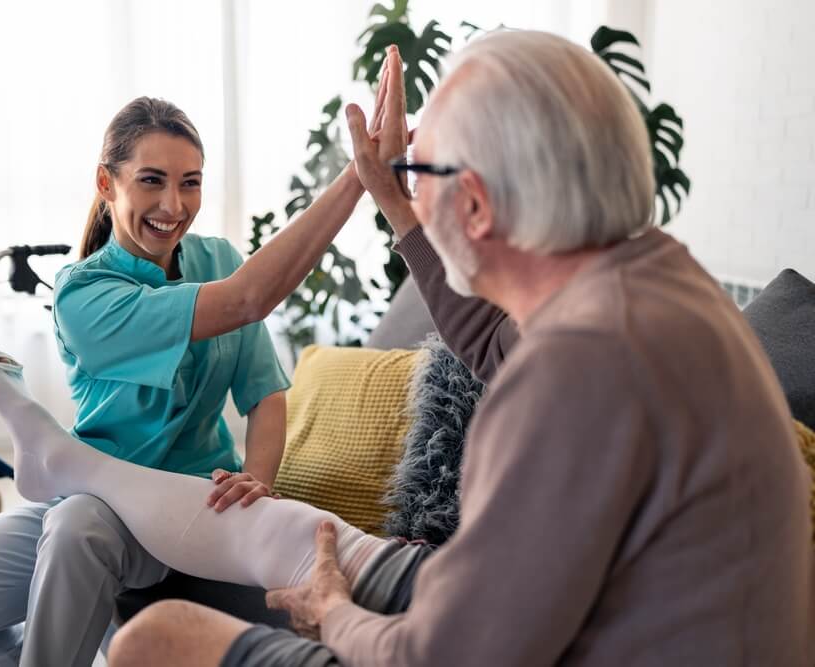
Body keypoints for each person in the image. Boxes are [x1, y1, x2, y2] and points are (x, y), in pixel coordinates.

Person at [107, 30, 814, 666]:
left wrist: (334, 614)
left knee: (156, 637)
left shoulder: (572, 368)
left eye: (421, 172)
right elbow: (487, 341)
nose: (412, 187)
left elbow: (440, 653)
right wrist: (388, 192)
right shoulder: (658, 280)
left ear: (473, 203)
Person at [0, 47, 407, 667]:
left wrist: (258, 478)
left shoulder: (218, 261)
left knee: (77, 527)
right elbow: (248, 301)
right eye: (151, 180)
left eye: (190, 183)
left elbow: (263, 391)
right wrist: (358, 176)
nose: (173, 206)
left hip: (192, 506)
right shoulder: (83, 294)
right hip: (93, 501)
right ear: (107, 183)